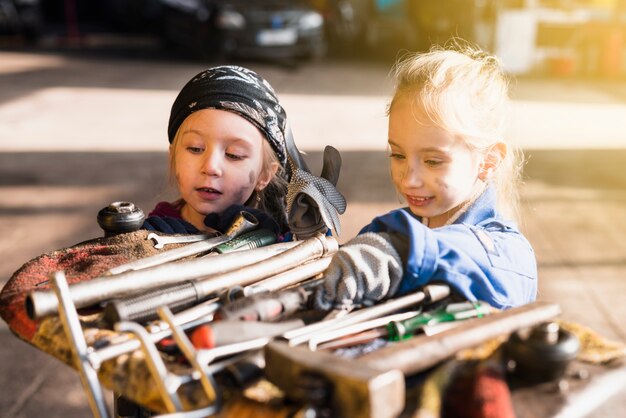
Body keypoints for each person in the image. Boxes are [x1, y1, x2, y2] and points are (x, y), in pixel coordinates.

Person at [315, 44, 537, 311]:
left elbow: (473, 258)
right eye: (398, 155)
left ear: (488, 161)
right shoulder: (386, 233)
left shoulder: (509, 255)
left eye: (433, 161)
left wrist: (401, 249)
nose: (409, 180)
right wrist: (315, 238)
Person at [141, 65, 291, 237]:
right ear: (173, 156)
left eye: (234, 155)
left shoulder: (286, 244)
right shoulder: (150, 233)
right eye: (195, 148)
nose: (210, 167)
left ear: (265, 175)